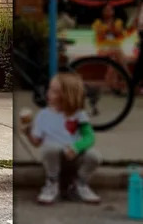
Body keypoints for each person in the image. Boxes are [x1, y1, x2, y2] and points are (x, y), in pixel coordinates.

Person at [21, 72, 101, 205]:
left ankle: (80, 183)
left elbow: (89, 137)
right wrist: (28, 133)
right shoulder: (43, 115)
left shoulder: (78, 115)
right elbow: (37, 142)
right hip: (54, 158)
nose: (48, 93)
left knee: (94, 156)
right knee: (51, 148)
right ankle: (52, 182)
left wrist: (76, 147)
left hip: (74, 156)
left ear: (67, 96)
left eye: (54, 91)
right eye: (50, 89)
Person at [91, 3, 134, 91]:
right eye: (106, 9)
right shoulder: (97, 22)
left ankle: (112, 82)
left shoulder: (118, 22)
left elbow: (121, 35)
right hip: (103, 49)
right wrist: (113, 31)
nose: (109, 11)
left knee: (115, 58)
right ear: (102, 12)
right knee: (117, 52)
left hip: (116, 49)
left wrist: (113, 31)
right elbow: (102, 34)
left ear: (113, 12)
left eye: (111, 9)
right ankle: (129, 78)